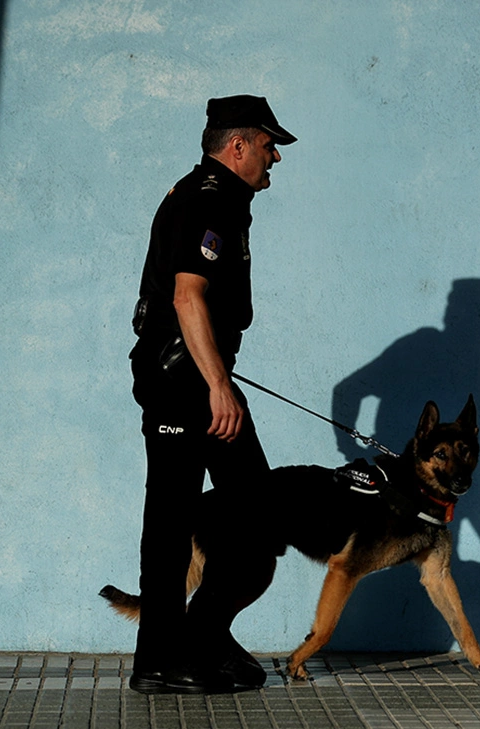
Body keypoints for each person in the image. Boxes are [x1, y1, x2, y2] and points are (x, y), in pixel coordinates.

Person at [127, 95, 297, 694]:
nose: (276, 157)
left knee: (258, 517)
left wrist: (219, 381)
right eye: (269, 145)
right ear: (238, 145)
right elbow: (186, 296)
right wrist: (219, 386)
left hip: (203, 379)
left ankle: (201, 637)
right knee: (171, 523)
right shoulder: (206, 199)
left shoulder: (224, 201)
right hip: (182, 385)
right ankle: (158, 661)